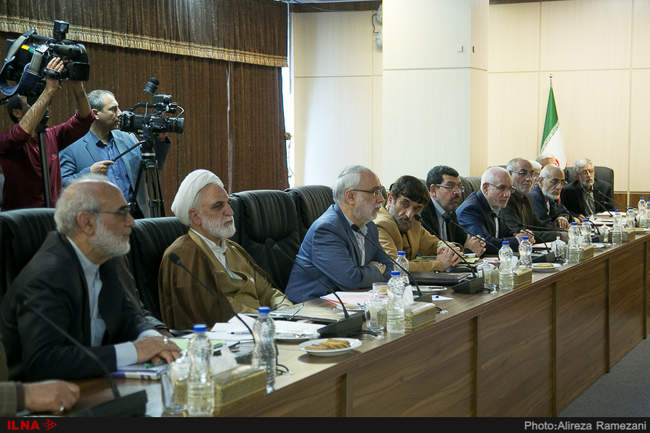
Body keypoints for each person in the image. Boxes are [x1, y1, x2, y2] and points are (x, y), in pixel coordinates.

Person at [0, 174, 180, 381]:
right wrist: (136, 350)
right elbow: (44, 362)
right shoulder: (47, 276)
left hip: (96, 383)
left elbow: (129, 317)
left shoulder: (104, 258)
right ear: (86, 222)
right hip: (46, 395)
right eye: (122, 213)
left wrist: (155, 341)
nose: (131, 222)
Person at [158, 169, 289, 329]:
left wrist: (287, 311)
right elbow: (210, 314)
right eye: (218, 206)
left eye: (228, 203)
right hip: (230, 336)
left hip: (265, 327)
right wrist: (268, 321)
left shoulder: (233, 248)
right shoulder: (183, 256)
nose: (230, 212)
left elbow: (268, 292)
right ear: (195, 216)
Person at [285, 165, 393, 303]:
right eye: (375, 192)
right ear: (351, 197)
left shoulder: (369, 226)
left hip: (349, 302)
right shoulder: (326, 229)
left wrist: (366, 272)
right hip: (312, 306)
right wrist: (375, 270)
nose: (381, 199)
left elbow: (390, 268)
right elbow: (351, 280)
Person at [59, 89, 170, 218]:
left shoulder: (128, 138)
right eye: (113, 109)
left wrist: (160, 141)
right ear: (95, 114)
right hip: (100, 220)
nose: (120, 113)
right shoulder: (70, 145)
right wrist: (89, 173)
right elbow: (61, 187)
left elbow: (150, 171)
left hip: (136, 218)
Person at [0, 57, 93, 210]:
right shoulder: (5, 140)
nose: (45, 107)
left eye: (44, 103)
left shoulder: (51, 135)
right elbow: (20, 135)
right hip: (22, 219)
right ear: (17, 112)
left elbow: (84, 120)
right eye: (34, 102)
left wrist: (77, 85)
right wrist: (48, 91)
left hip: (52, 215)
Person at [374, 175, 463, 272]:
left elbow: (433, 244)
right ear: (390, 199)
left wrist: (448, 249)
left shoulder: (413, 222)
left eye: (416, 208)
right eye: (405, 204)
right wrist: (439, 264)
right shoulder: (380, 225)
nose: (409, 214)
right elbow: (395, 266)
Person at [456, 166, 532, 254]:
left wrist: (524, 236)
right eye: (501, 188)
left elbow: (506, 233)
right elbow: (483, 244)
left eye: (510, 189)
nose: (507, 194)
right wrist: (518, 240)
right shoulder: (470, 209)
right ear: (485, 188)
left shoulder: (495, 204)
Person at [420, 165, 486, 256]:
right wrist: (467, 251)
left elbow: (463, 241)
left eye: (459, 187)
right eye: (450, 186)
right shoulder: (421, 213)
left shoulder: (450, 212)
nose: (457, 192)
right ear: (433, 190)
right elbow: (432, 254)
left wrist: (477, 243)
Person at [501, 158, 558, 243]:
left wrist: (563, 232)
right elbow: (519, 232)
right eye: (522, 173)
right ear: (509, 174)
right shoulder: (504, 199)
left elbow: (539, 226)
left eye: (531, 174)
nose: (529, 179)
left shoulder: (527, 197)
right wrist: (558, 235)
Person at [530, 164, 575, 236]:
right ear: (540, 181)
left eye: (562, 182)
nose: (559, 187)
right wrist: (559, 224)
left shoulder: (550, 195)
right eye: (554, 181)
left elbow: (566, 213)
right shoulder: (534, 196)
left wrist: (562, 218)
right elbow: (544, 226)